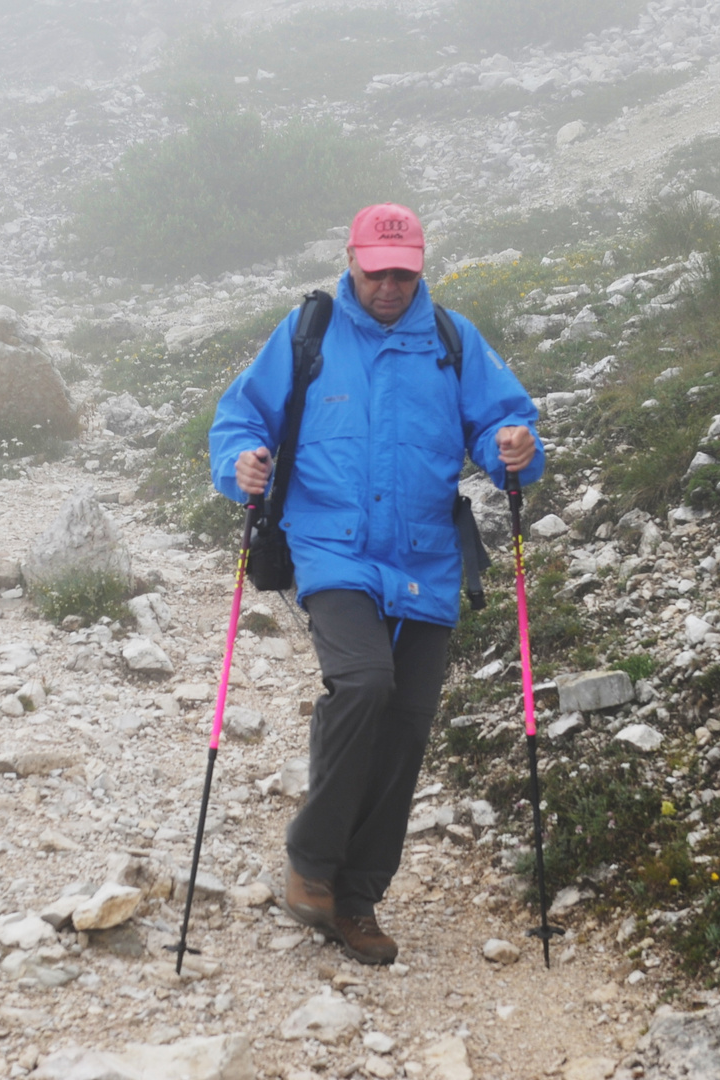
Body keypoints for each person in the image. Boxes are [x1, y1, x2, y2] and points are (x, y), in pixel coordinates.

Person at [207, 203, 543, 966]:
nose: (389, 286)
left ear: (420, 266)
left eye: (403, 272)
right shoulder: (311, 334)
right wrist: (242, 465)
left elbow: (503, 425)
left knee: (407, 723)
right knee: (362, 685)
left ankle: (355, 900)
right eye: (375, 271)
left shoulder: (452, 342)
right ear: (351, 260)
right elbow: (240, 420)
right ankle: (312, 861)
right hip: (332, 549)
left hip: (427, 559)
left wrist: (513, 446)